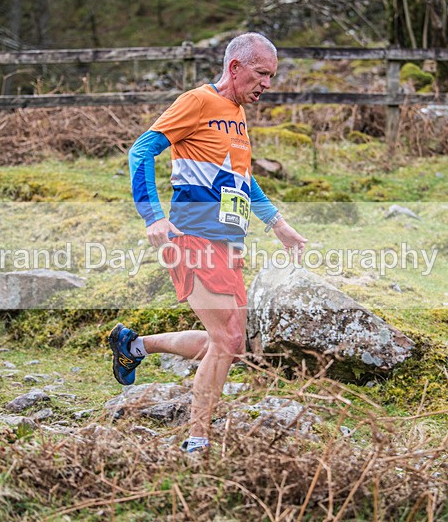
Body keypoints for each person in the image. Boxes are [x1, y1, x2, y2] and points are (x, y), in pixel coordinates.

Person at [109, 32, 307, 453]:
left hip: (227, 242)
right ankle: (197, 441)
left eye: (271, 76)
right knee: (229, 341)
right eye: (261, 74)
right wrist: (153, 216)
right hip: (192, 236)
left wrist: (278, 224)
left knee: (229, 342)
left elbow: (241, 179)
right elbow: (141, 152)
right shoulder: (198, 101)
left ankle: (134, 346)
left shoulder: (236, 114)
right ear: (235, 67)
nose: (267, 84)